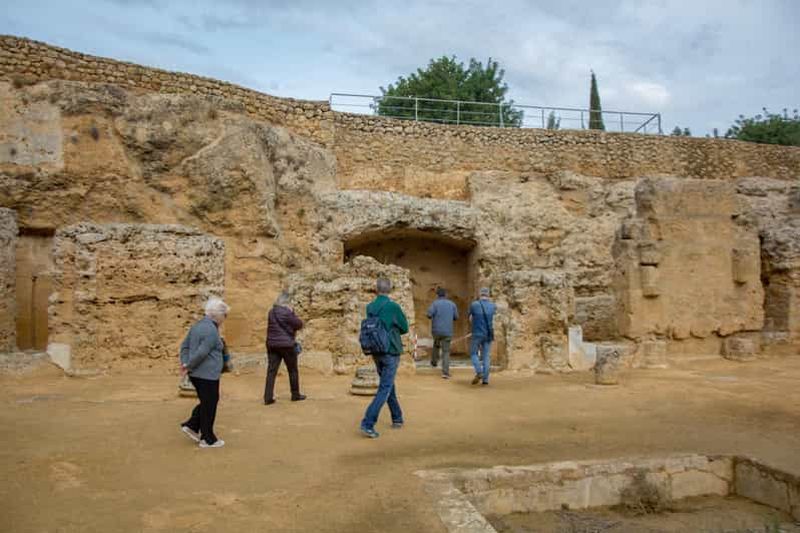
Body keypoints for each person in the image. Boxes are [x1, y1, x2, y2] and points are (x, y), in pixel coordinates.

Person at [360, 277, 409, 439]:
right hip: (391, 350)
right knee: (385, 388)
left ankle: (397, 417)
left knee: (388, 385)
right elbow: (404, 328)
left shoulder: (370, 307)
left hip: (376, 351)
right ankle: (368, 423)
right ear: (390, 289)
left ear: (376, 289)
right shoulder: (393, 306)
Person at [179, 296, 230, 448]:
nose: (225, 318)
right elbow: (202, 352)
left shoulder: (197, 326)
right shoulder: (211, 330)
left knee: (208, 402)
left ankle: (192, 425)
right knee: (210, 404)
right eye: (224, 315)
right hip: (207, 375)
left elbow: (185, 346)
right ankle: (208, 438)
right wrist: (188, 365)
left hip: (197, 374)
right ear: (218, 315)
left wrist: (185, 362)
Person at [264, 291, 305, 405]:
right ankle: (295, 394)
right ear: (287, 302)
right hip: (287, 345)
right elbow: (298, 324)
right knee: (292, 370)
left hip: (272, 344)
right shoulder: (287, 313)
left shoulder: (271, 312)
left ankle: (268, 396)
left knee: (271, 371)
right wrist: (293, 313)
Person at [426, 287, 459, 379]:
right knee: (446, 351)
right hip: (448, 331)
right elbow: (456, 317)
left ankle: (434, 362)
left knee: (436, 345)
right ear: (446, 295)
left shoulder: (435, 304)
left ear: (437, 295)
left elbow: (428, 314)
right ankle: (445, 372)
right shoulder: (452, 304)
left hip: (436, 330)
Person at [468, 287, 496, 386]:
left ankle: (479, 371)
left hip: (477, 333)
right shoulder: (493, 306)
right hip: (488, 334)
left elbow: (470, 318)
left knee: (473, 353)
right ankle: (485, 379)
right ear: (488, 295)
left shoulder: (474, 305)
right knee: (486, 356)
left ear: (480, 294)